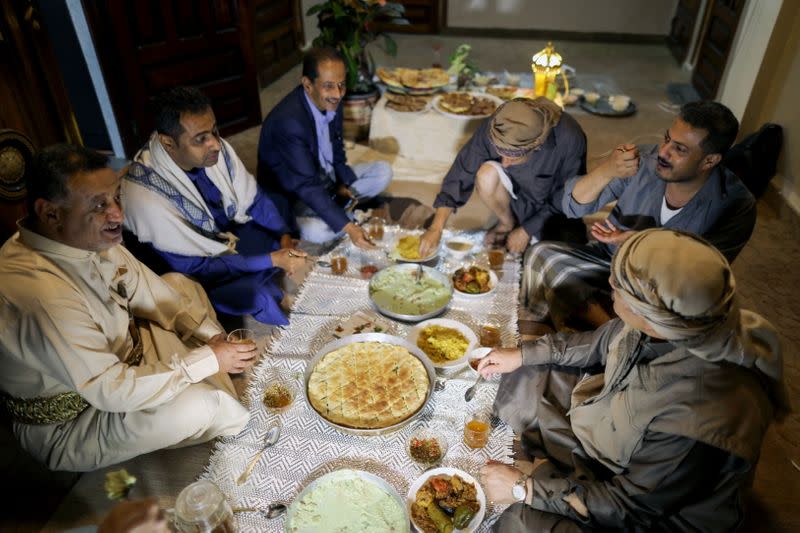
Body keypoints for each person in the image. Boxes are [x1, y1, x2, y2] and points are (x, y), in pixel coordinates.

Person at [478, 228, 787, 532]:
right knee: (524, 373)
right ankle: (558, 468)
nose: (609, 283)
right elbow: (595, 344)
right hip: (613, 435)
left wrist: (524, 489)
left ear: (649, 312)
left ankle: (554, 476)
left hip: (653, 514)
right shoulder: (675, 322)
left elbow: (631, 507)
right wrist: (520, 355)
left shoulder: (703, 414)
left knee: (519, 521)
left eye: (619, 284)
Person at [0, 145, 255, 471]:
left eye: (116, 197)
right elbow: (112, 390)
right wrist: (207, 360)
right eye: (100, 205)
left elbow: (154, 292)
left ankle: (214, 380)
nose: (118, 214)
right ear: (51, 213)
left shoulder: (79, 235)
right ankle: (230, 409)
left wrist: (215, 343)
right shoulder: (42, 296)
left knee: (179, 284)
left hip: (128, 354)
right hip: (80, 419)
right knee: (203, 406)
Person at [522, 100, 756, 331]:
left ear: (710, 160)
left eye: (680, 149)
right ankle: (611, 330)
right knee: (542, 256)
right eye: (667, 139)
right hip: (611, 262)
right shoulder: (645, 159)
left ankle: (615, 339)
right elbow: (574, 208)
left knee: (682, 324)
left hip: (661, 289)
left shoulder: (736, 205)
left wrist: (638, 243)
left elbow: (705, 277)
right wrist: (607, 170)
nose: (664, 152)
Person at [123, 87, 306, 326]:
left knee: (278, 205)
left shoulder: (213, 151)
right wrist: (272, 259)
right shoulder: (147, 199)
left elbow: (254, 199)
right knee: (257, 294)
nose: (216, 144)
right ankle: (269, 287)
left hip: (221, 237)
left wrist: (284, 237)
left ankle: (266, 268)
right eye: (201, 138)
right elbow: (200, 267)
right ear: (168, 143)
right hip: (197, 270)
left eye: (214, 131)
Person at [257, 47, 393, 248]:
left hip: (327, 180)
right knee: (319, 232)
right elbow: (306, 186)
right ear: (307, 84)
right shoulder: (289, 123)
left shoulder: (331, 99)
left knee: (383, 172)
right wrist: (350, 227)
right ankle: (338, 214)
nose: (337, 94)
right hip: (296, 195)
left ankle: (338, 209)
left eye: (341, 85)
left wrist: (343, 184)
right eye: (329, 86)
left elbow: (337, 149)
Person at [419, 97, 587, 257]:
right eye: (500, 155)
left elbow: (569, 195)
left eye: (513, 158)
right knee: (486, 173)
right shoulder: (499, 123)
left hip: (553, 209)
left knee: (561, 257)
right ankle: (507, 223)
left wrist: (527, 229)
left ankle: (521, 228)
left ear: (537, 146)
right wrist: (436, 227)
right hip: (516, 195)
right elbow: (460, 173)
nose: (504, 164)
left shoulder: (569, 137)